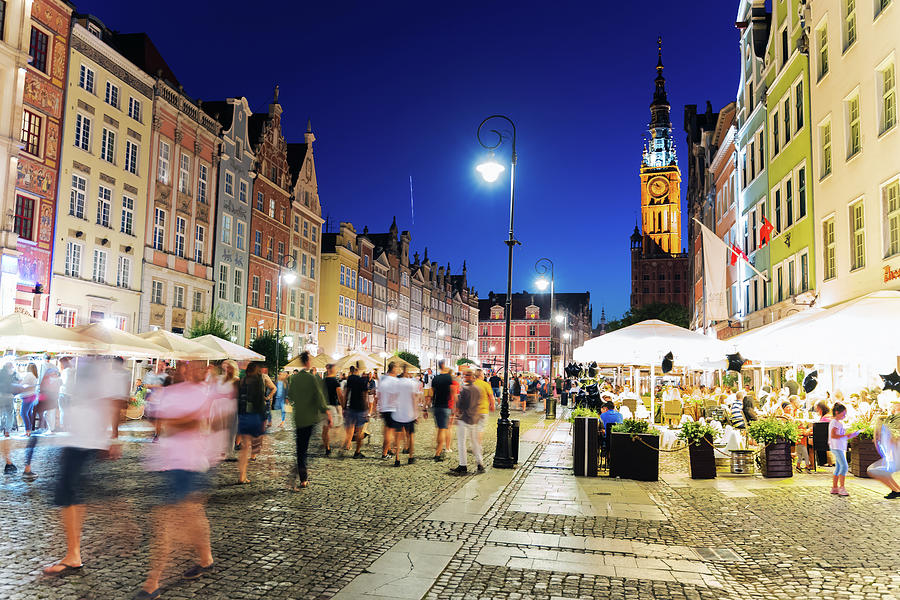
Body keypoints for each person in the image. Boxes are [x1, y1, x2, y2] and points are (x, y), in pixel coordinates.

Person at [135, 360, 220, 599]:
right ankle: (205, 559)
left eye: (195, 366)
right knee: (193, 515)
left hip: (190, 464)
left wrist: (173, 419)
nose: (188, 369)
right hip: (169, 462)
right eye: (185, 364)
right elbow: (156, 419)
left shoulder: (202, 393)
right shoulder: (171, 391)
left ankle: (153, 582)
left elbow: (192, 422)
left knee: (165, 521)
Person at [42, 357, 120, 577]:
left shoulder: (99, 371)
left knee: (67, 493)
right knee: (72, 493)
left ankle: (74, 554)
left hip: (85, 440)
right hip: (79, 438)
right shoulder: (86, 368)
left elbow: (112, 403)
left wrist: (111, 439)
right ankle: (73, 553)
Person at [287, 352, 331, 490]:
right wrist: (326, 412)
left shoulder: (295, 379)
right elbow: (319, 397)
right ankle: (302, 475)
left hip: (298, 417)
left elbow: (291, 396)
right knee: (308, 448)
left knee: (300, 448)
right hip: (310, 418)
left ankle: (301, 473)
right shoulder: (312, 378)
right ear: (308, 362)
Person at [236, 362, 267, 484]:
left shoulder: (242, 381)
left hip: (243, 415)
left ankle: (242, 475)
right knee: (257, 443)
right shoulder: (258, 381)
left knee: (244, 447)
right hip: (254, 416)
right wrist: (264, 418)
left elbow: (238, 399)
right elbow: (260, 401)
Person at [450, 369, 484, 475]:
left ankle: (463, 465)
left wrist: (455, 397)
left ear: (472, 376)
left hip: (465, 419)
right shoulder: (478, 389)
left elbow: (460, 405)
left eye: (467, 375)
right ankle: (480, 463)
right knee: (475, 443)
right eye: (464, 375)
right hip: (475, 419)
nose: (465, 376)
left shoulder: (465, 389)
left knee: (462, 443)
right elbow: (478, 403)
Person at [868, 399, 900, 499]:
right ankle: (896, 490)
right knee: (875, 470)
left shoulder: (892, 431)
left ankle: (896, 490)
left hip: (895, 459)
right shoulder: (888, 428)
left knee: (873, 470)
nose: (893, 408)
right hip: (893, 459)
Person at [390, 366, 420, 466]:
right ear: (407, 372)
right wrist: (416, 414)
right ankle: (411, 457)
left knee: (398, 436)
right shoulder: (412, 383)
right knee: (410, 435)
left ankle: (397, 459)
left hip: (398, 413)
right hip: (409, 413)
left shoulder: (395, 383)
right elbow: (414, 399)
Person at [828, 402, 856, 497]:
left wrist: (847, 435)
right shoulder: (836, 423)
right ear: (837, 412)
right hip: (837, 447)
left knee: (839, 467)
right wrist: (846, 435)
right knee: (844, 466)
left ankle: (835, 487)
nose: (844, 416)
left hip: (837, 446)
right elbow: (833, 435)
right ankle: (841, 487)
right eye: (843, 413)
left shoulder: (836, 423)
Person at [341, 365, 369, 458]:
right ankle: (357, 452)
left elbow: (347, 392)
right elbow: (365, 395)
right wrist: (367, 409)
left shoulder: (350, 379)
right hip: (361, 408)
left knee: (350, 428)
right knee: (360, 432)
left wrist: (344, 406)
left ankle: (347, 444)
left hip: (351, 407)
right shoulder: (364, 380)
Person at [0, 361, 23, 473]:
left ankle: (3, 429)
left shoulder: (1, 372)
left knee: (2, 414)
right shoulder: (13, 374)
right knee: (10, 414)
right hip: (8, 396)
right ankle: (7, 431)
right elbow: (19, 382)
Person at [430, 361, 453, 461]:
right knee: (443, 429)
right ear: (443, 365)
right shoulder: (448, 378)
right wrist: (455, 407)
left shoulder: (435, 378)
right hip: (445, 406)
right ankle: (438, 453)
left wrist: (427, 406)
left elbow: (431, 393)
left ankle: (438, 450)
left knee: (439, 429)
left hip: (436, 405)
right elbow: (452, 392)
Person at [377, 362, 400, 459]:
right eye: (397, 368)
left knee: (387, 430)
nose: (398, 370)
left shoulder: (383, 380)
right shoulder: (394, 381)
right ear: (393, 369)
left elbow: (379, 395)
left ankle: (388, 449)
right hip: (392, 408)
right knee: (390, 432)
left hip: (384, 407)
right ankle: (385, 453)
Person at [322, 364, 343, 456]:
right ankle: (338, 444)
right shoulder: (335, 382)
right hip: (332, 407)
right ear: (331, 370)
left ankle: (327, 448)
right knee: (337, 426)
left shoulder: (322, 381)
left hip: (323, 407)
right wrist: (344, 405)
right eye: (335, 369)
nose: (336, 370)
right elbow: (340, 395)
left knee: (325, 429)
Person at [474, 369, 495, 445]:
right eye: (483, 374)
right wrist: (492, 405)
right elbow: (491, 396)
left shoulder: (472, 384)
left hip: (473, 410)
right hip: (483, 410)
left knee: (473, 428)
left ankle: (473, 444)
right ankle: (477, 445)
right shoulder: (485, 385)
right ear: (480, 375)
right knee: (480, 428)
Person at [18, 363, 39, 436]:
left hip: (28, 396)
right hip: (32, 395)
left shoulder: (29, 374)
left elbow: (22, 384)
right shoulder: (35, 376)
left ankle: (27, 430)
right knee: (29, 413)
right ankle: (29, 430)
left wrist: (19, 381)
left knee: (23, 413)